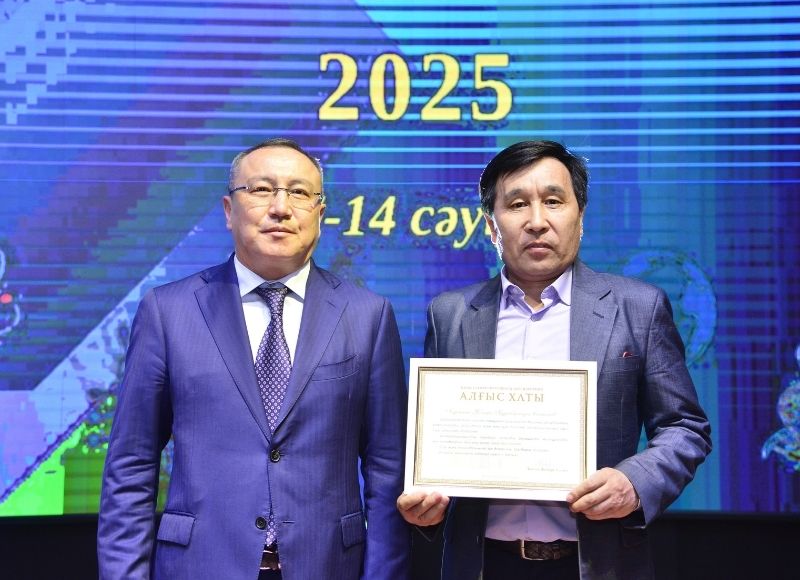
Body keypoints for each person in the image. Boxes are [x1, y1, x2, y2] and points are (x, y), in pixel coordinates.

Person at [397, 140, 711, 579]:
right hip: (483, 564)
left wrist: (635, 482)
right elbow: (432, 442)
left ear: (580, 217)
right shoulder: (450, 314)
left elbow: (684, 427)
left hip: (597, 563)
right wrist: (424, 501)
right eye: (517, 204)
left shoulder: (638, 307)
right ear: (491, 225)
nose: (536, 221)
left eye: (553, 201)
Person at [98, 138, 410, 579]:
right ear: (229, 210)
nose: (281, 207)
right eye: (262, 189)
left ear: (320, 215)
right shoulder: (168, 311)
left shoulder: (368, 316)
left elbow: (386, 468)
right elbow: (131, 464)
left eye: (299, 192)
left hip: (328, 565)